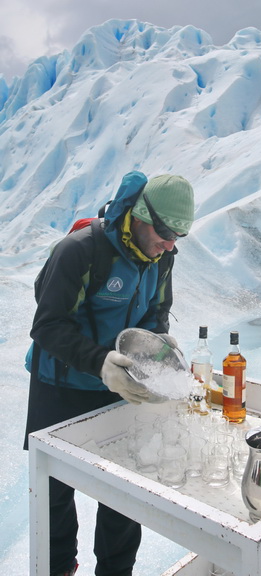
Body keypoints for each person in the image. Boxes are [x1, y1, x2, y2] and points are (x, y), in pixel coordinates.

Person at [24, 171, 195, 576]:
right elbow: (47, 326)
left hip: (119, 386)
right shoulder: (80, 251)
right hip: (60, 383)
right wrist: (100, 363)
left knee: (124, 491)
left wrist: (161, 345)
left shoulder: (162, 258)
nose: (169, 244)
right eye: (166, 231)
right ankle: (59, 568)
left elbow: (155, 315)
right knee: (53, 492)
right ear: (139, 214)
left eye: (178, 237)